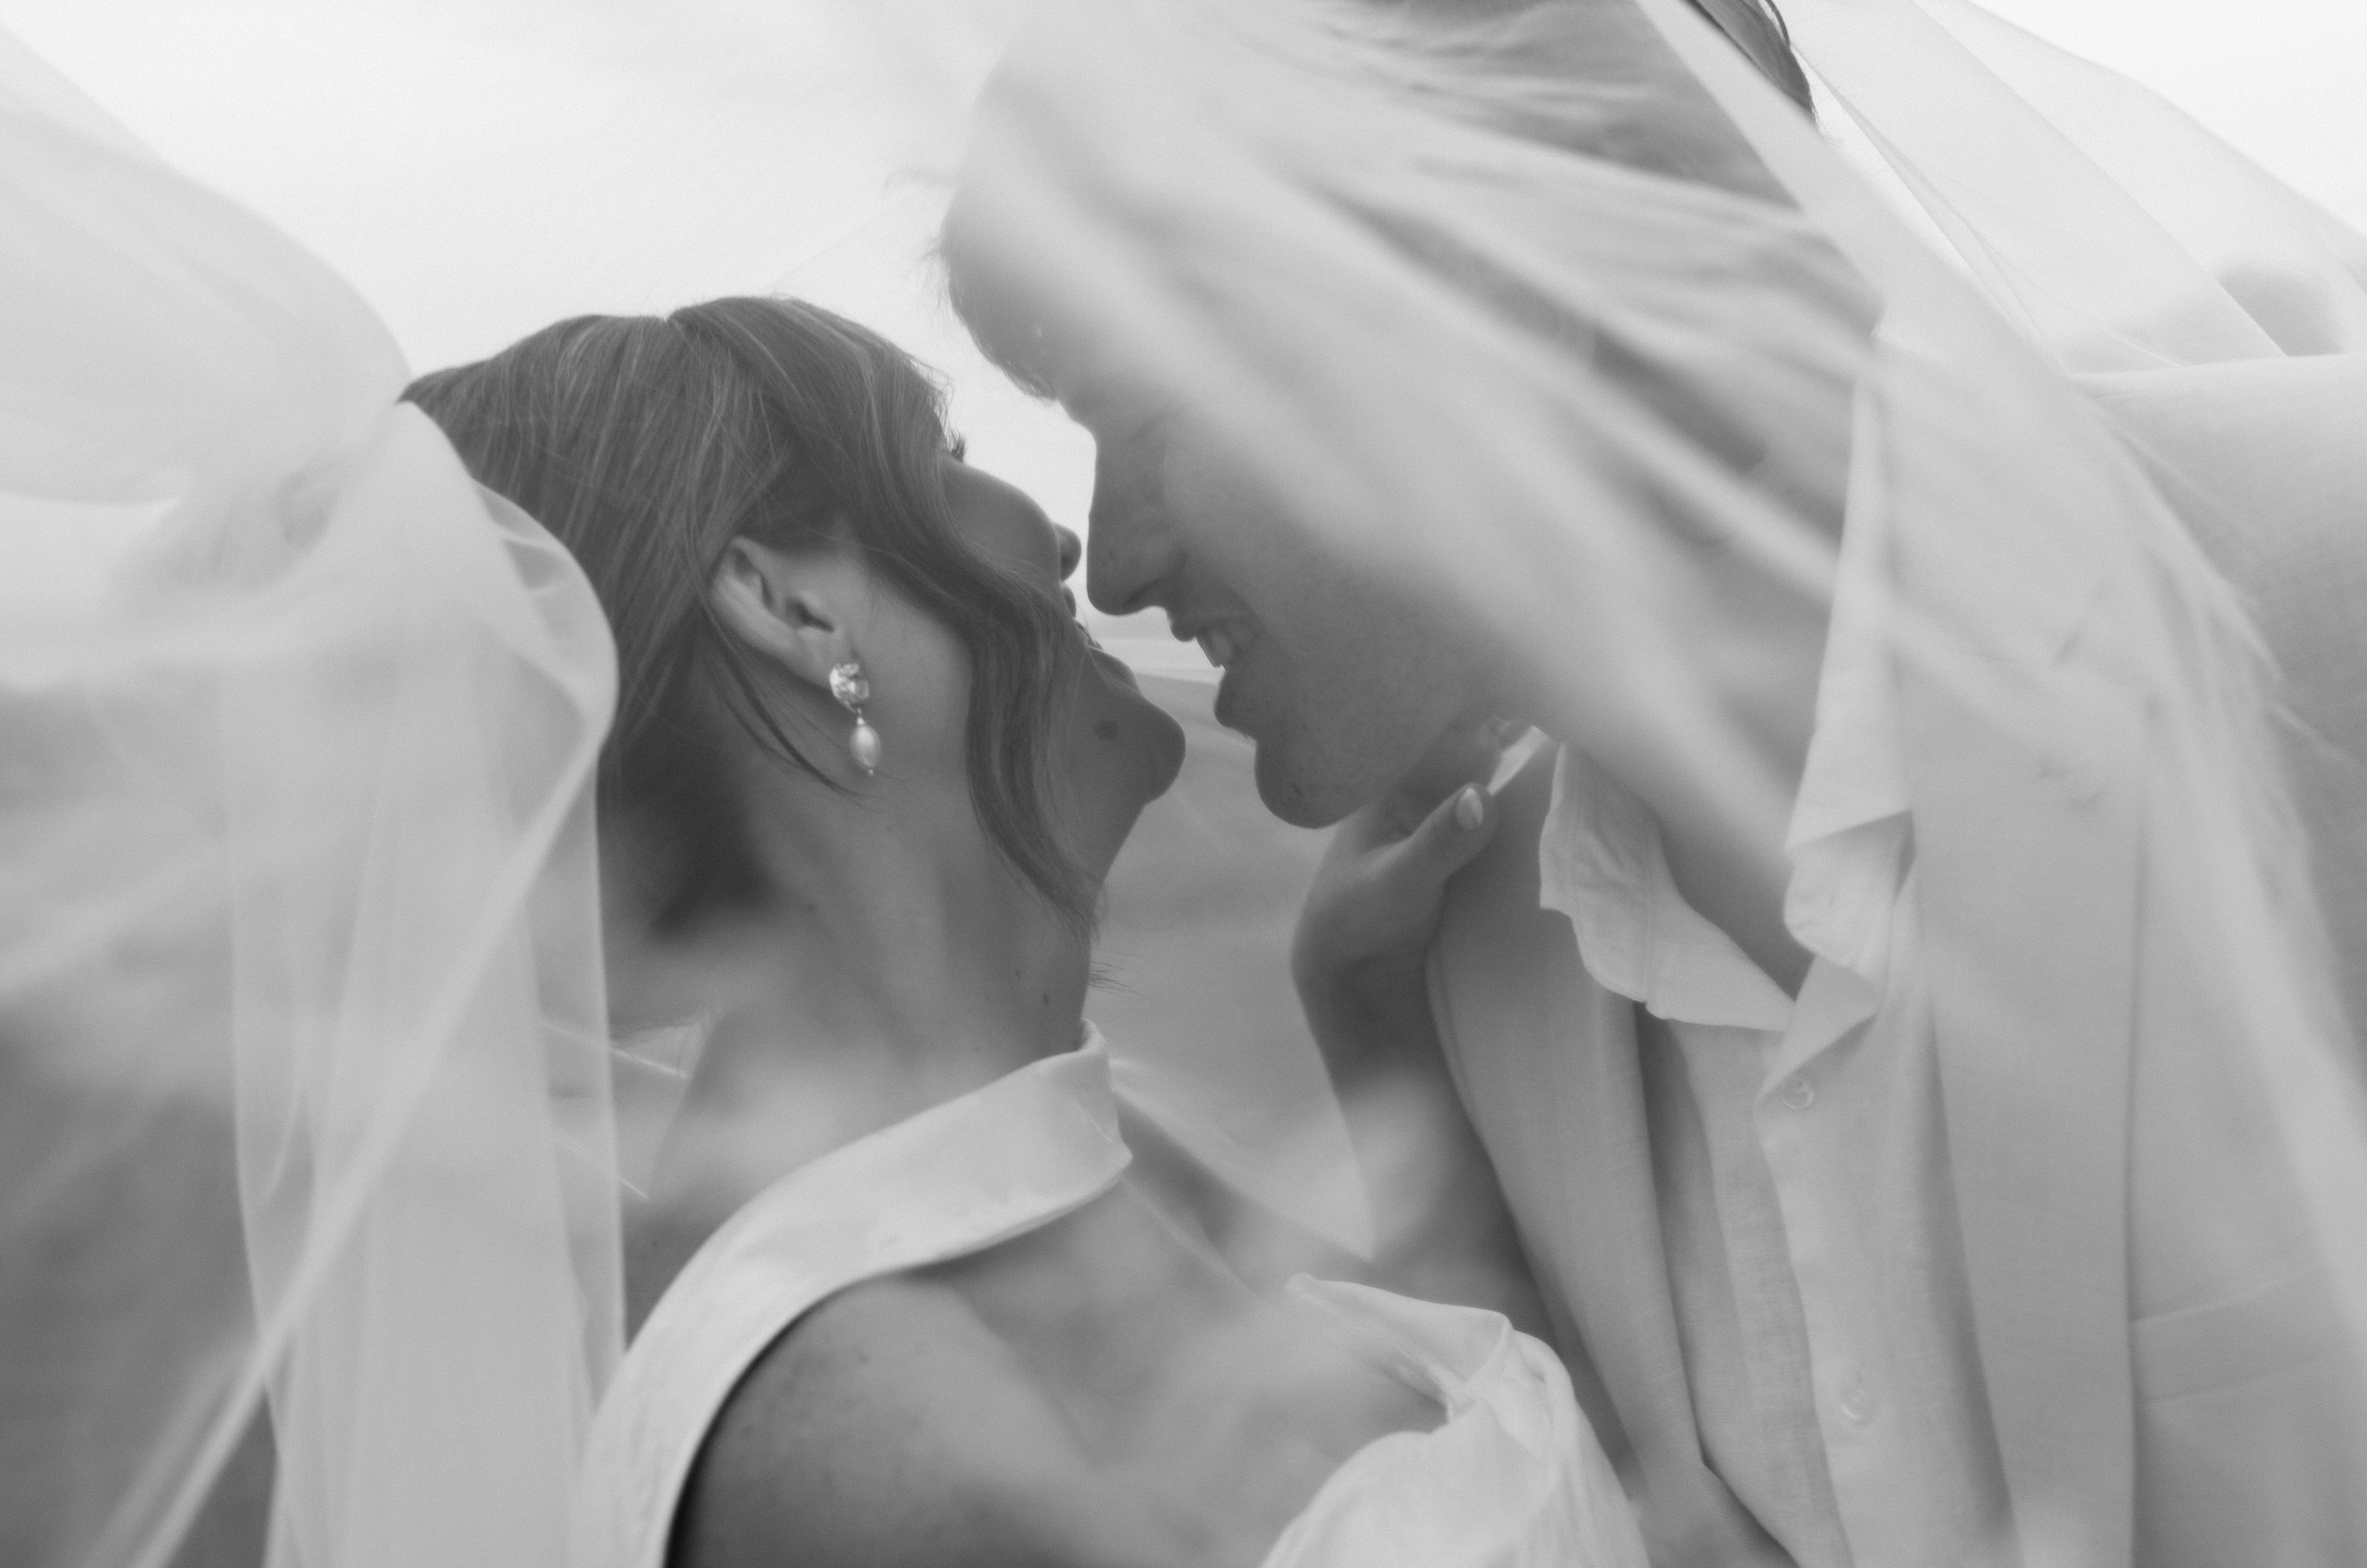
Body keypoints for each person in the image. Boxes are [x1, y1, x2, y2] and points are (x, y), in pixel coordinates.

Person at [938, 0, 2367, 1565]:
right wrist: (1379, 1042)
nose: (1118, 558)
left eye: (1142, 415)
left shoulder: (2314, 583)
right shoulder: (1482, 972)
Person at [406, 298, 1649, 1568]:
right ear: (792, 605)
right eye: (940, 462)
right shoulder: (859, 1431)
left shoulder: (1050, 1149)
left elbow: (1592, 1479)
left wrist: (1374, 1017)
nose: (1069, 544)